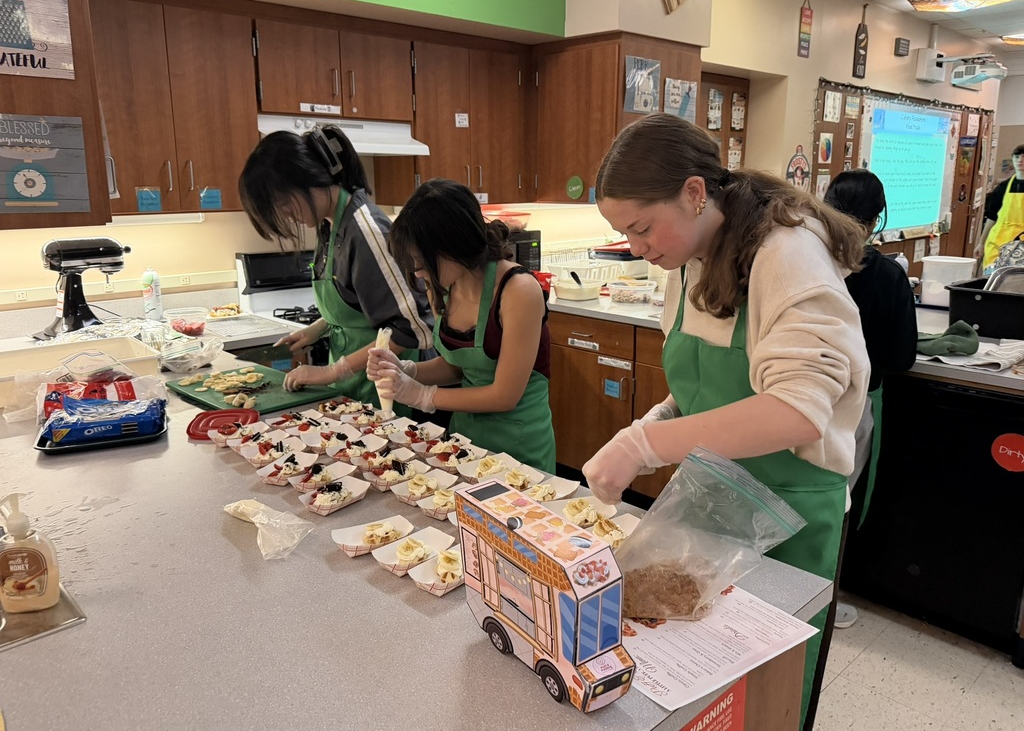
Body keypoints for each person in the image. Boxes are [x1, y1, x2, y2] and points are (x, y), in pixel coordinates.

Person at [582, 114, 869, 731]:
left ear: (695, 193)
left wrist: (647, 443)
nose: (635, 246)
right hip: (712, 503)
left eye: (641, 228)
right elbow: (701, 391)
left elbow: (797, 410)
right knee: (700, 695)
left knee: (764, 699)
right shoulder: (689, 258)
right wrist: (652, 421)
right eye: (623, 233)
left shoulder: (788, 254)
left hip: (789, 514)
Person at [367, 179, 556, 473]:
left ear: (455, 244)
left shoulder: (518, 290)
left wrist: (422, 395)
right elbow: (458, 367)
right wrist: (406, 370)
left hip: (519, 443)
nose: (417, 271)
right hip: (466, 438)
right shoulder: (441, 286)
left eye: (421, 260)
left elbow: (504, 395)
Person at [238, 125, 434, 405]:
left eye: (283, 203)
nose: (286, 215)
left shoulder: (365, 232)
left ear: (307, 179)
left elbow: (411, 328)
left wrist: (332, 371)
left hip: (392, 391)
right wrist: (318, 329)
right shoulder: (329, 225)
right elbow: (357, 306)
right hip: (358, 387)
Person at [824, 169, 918, 629]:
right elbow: (902, 356)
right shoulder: (887, 276)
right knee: (836, 499)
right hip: (854, 404)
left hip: (793, 393)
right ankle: (823, 599)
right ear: (877, 217)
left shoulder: (803, 262)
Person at [978, 143, 1024, 270]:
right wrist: (981, 243)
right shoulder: (1002, 187)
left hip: (1021, 245)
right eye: (1017, 157)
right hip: (998, 243)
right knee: (993, 278)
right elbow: (991, 217)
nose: (1020, 160)